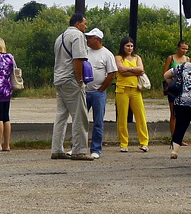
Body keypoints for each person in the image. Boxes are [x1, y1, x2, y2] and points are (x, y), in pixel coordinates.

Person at [51, 12, 94, 160]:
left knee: (61, 115)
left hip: (59, 79)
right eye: (84, 23)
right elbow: (78, 59)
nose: (85, 26)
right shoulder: (78, 36)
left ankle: (56, 149)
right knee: (79, 116)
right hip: (71, 80)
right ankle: (79, 150)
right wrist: (80, 79)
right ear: (77, 24)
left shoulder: (60, 37)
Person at [164, 49, 191, 159]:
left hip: (181, 102)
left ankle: (175, 151)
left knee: (180, 127)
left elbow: (166, 75)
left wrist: (174, 86)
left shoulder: (182, 66)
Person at [84, 27, 118, 159]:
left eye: (90, 37)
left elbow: (111, 74)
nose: (87, 39)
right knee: (80, 121)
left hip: (98, 93)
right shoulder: (85, 51)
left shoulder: (107, 54)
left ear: (97, 39)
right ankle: (77, 147)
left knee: (98, 122)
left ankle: (96, 149)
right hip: (85, 91)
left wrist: (101, 89)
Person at [114, 36, 150, 152]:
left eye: (131, 46)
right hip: (122, 90)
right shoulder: (118, 57)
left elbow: (141, 70)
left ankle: (144, 142)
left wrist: (129, 69)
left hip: (136, 90)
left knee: (140, 116)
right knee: (122, 117)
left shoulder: (137, 57)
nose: (130, 48)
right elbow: (121, 70)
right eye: (127, 46)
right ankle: (124, 144)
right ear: (123, 46)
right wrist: (135, 71)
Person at [162, 40, 190, 139]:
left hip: (184, 89)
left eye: (186, 49)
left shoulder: (187, 59)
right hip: (173, 89)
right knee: (173, 113)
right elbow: (164, 73)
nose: (184, 51)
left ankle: (180, 137)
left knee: (182, 114)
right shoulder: (171, 58)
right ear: (178, 48)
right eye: (183, 48)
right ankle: (174, 137)